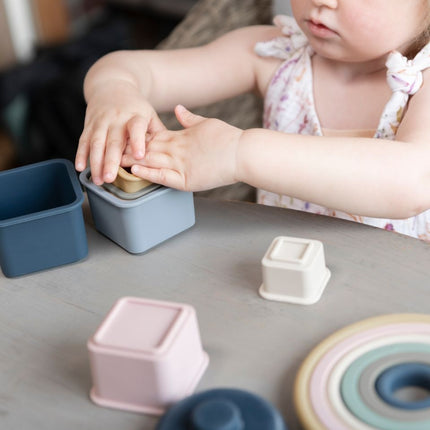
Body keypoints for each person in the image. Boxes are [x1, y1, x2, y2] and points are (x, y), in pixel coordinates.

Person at [75, 0, 430, 240]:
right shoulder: (274, 54)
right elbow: (132, 70)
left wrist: (237, 153)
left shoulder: (422, 80)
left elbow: (412, 181)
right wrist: (115, 92)